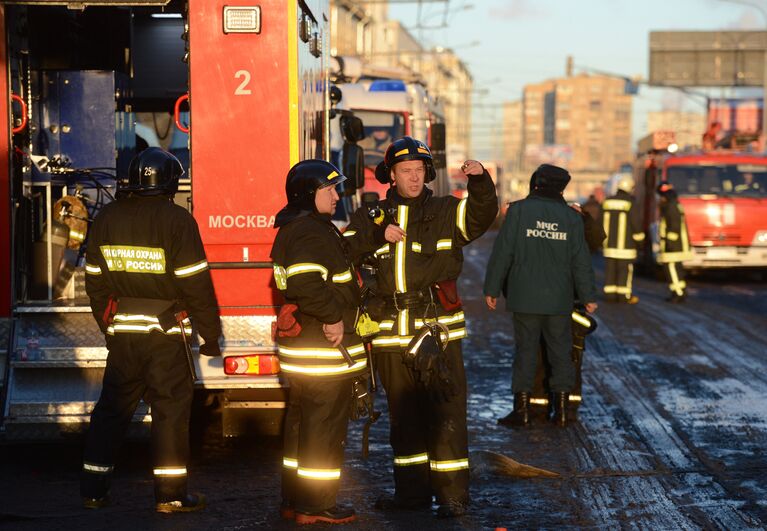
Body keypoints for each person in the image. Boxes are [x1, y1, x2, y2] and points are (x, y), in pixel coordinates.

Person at [344, 136, 498, 518]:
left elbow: (480, 215)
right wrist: (377, 236)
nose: (413, 178)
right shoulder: (372, 216)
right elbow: (345, 251)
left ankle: (453, 498)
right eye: (405, 171)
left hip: (437, 333)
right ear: (390, 177)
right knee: (404, 420)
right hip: (390, 336)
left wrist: (480, 182)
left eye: (419, 171)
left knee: (446, 414)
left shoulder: (448, 210)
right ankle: (410, 497)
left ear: (426, 174)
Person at [81, 148, 221, 513]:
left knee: (111, 411)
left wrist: (108, 325)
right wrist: (209, 334)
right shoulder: (178, 221)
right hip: (164, 336)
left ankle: (94, 490)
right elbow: (195, 284)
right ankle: (171, 496)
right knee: (170, 415)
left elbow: (94, 282)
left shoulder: (107, 217)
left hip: (124, 335)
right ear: (171, 183)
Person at [271, 160, 368, 525]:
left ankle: (294, 500)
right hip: (321, 353)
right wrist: (332, 317)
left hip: (304, 354)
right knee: (323, 431)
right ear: (310, 195)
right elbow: (306, 283)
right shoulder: (310, 232)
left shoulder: (298, 228)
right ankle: (316, 505)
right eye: (329, 189)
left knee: (301, 426)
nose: (336, 194)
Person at [483, 164, 598, 427]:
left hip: (523, 296)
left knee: (525, 352)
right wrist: (588, 295)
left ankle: (521, 411)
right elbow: (581, 261)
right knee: (561, 353)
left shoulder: (519, 211)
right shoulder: (570, 217)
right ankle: (561, 412)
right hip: (559, 299)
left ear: (536, 183)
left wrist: (491, 289)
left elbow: (503, 253)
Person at [602, 175, 644, 303]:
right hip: (626, 247)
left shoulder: (607, 202)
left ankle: (609, 295)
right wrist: (640, 242)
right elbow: (636, 224)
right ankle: (623, 296)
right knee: (624, 271)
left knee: (610, 270)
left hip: (608, 246)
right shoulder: (630, 203)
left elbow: (598, 222)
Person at [657, 183, 692, 303]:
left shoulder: (670, 207)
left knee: (671, 268)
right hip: (677, 244)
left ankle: (678, 293)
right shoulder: (674, 205)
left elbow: (674, 227)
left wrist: (669, 244)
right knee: (676, 269)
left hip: (673, 246)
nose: (660, 199)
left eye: (661, 196)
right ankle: (680, 290)